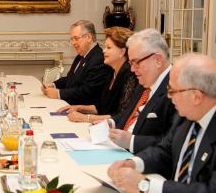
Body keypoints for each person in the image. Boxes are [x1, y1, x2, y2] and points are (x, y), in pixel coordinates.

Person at [108, 53, 216, 193]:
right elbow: (164, 151)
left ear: (196, 97)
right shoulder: (185, 116)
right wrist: (133, 163)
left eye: (172, 90)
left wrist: (144, 185)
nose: (169, 96)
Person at [108, 28, 176, 153]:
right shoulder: (145, 82)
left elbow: (173, 141)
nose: (132, 69)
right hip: (119, 151)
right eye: (130, 63)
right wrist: (111, 123)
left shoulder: (176, 90)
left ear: (157, 60)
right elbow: (129, 113)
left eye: (136, 62)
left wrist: (132, 141)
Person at [57, 26, 137, 123]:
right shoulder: (112, 72)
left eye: (109, 47)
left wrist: (86, 118)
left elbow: (123, 115)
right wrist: (78, 108)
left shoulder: (130, 76)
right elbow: (102, 106)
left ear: (122, 52)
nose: (103, 51)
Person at [42, 20, 113, 105]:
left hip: (83, 110)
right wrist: (53, 85)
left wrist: (59, 93)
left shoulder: (99, 59)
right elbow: (70, 79)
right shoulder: (80, 55)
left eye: (76, 38)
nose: (73, 43)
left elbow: (87, 91)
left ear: (89, 37)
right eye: (72, 39)